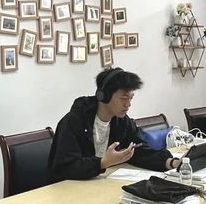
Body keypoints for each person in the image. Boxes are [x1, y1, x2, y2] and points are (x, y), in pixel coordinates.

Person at [48, 67, 183, 181]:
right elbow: (64, 167)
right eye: (123, 98)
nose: (128, 104)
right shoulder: (73, 121)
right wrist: (103, 163)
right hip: (70, 189)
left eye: (130, 98)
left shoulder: (121, 121)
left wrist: (171, 162)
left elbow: (138, 150)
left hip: (99, 184)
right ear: (104, 96)